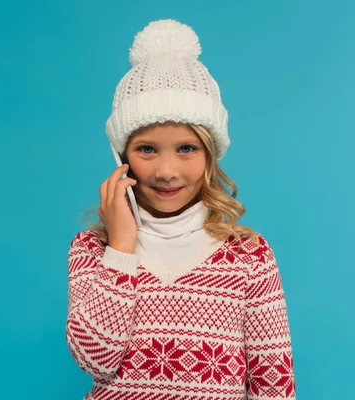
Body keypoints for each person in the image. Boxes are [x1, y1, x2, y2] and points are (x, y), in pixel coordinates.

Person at [65, 19, 296, 399]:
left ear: (210, 156)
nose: (166, 171)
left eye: (186, 148)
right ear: (121, 156)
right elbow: (96, 358)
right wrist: (121, 245)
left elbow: (274, 384)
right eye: (147, 149)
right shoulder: (93, 248)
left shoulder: (248, 256)